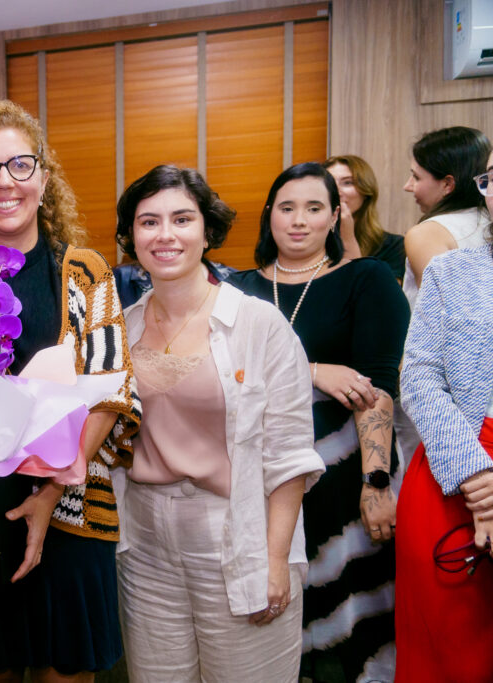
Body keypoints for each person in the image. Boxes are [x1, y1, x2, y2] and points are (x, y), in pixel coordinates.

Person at [0, 99, 141, 682]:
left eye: (20, 165)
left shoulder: (86, 272)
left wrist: (49, 493)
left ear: (44, 178)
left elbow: (112, 391)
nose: (5, 183)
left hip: (71, 511)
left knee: (66, 672)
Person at [113, 165, 324, 682]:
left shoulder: (259, 325)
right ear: (129, 237)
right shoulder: (122, 327)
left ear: (208, 231)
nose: (165, 235)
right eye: (148, 222)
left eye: (182, 219)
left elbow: (290, 455)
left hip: (235, 531)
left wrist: (275, 561)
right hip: (144, 539)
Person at [227, 162, 409, 682]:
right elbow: (226, 377)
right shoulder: (237, 291)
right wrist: (311, 369)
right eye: (287, 208)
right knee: (266, 611)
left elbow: (377, 391)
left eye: (314, 208)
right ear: (269, 217)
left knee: (348, 625)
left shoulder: (365, 278)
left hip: (343, 475)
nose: (300, 221)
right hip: (259, 479)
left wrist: (375, 483)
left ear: (336, 216)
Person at [395, 149, 493, 683]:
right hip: (452, 467)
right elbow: (419, 376)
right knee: (449, 653)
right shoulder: (453, 270)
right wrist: (475, 475)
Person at [402, 126, 491, 309]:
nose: (408, 186)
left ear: (447, 184)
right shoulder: (486, 220)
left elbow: (443, 315)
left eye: (416, 177)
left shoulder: (428, 233)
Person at [324, 154, 405, 282]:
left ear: (366, 192)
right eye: (330, 183)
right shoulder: (310, 241)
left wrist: (348, 237)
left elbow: (381, 299)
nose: (337, 192)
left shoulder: (393, 246)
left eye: (347, 183)